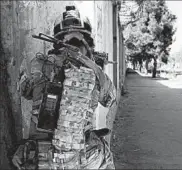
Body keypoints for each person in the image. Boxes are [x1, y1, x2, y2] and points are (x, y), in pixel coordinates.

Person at [12, 6, 116, 169]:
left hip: (40, 157)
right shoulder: (95, 71)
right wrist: (94, 65)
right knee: (106, 153)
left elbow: (24, 91)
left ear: (56, 40)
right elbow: (110, 99)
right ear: (87, 41)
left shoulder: (38, 64)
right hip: (84, 158)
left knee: (23, 152)